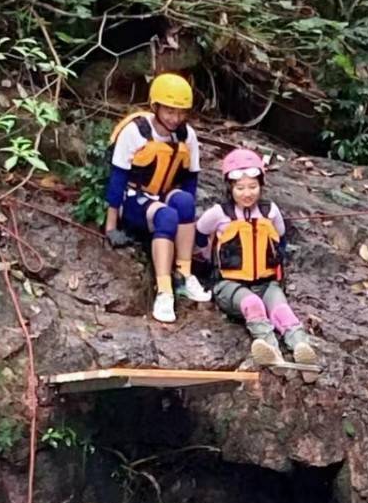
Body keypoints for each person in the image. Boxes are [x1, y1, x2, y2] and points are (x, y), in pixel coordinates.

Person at [104, 73, 213, 324]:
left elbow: (191, 180)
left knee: (184, 203)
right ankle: (165, 291)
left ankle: (184, 274)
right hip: (133, 198)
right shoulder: (136, 132)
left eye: (180, 112)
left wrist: (189, 227)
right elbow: (118, 178)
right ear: (156, 107)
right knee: (167, 216)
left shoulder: (187, 136)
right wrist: (111, 226)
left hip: (163, 193)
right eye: (169, 111)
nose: (175, 119)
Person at [195, 149, 317, 368]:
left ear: (261, 185)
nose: (247, 193)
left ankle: (301, 348)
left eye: (253, 187)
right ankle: (271, 352)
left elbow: (280, 238)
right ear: (230, 188)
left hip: (266, 282)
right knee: (253, 304)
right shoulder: (219, 213)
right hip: (228, 284)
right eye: (240, 188)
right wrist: (206, 257)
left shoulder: (270, 211)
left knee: (282, 310)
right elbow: (199, 233)